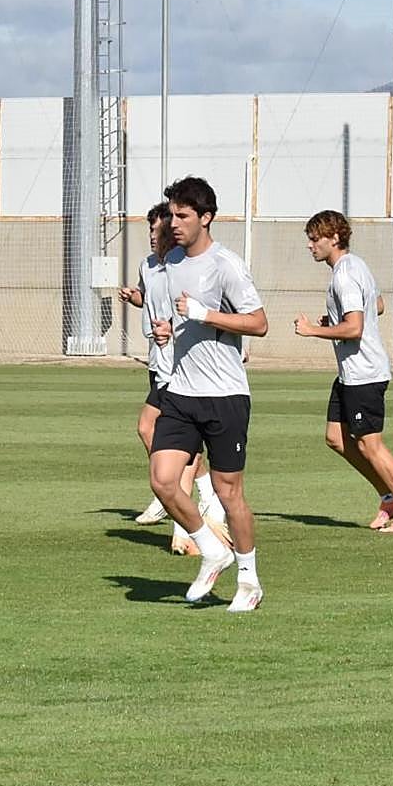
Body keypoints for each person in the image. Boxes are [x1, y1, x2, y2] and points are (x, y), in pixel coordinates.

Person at [148, 176, 268, 612]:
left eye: (183, 216)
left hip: (224, 395)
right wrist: (170, 330)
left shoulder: (226, 265)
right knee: (162, 480)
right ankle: (213, 550)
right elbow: (183, 321)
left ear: (206, 217)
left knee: (228, 492)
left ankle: (249, 580)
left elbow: (258, 323)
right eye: (171, 215)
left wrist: (206, 314)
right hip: (181, 390)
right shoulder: (171, 263)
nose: (174, 223)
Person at [294, 210, 393, 533]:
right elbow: (377, 305)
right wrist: (335, 320)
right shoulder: (356, 265)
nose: (310, 245)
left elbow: (354, 328)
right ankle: (389, 497)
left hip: (364, 373)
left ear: (334, 238)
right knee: (336, 438)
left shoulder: (344, 275)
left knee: (370, 445)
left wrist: (313, 330)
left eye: (315, 239)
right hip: (350, 374)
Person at [117, 202, 228, 555]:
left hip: (179, 368)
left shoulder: (184, 266)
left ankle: (181, 514)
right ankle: (197, 497)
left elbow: (203, 310)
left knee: (154, 430)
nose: (154, 235)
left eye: (159, 229)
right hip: (158, 360)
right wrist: (135, 297)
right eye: (150, 230)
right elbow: (149, 300)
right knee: (172, 440)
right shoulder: (149, 265)